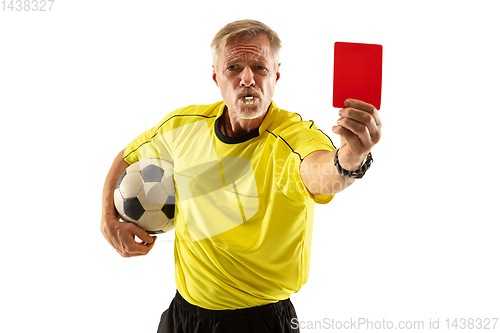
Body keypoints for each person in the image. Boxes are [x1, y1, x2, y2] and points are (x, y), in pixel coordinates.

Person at [101, 19, 382, 333]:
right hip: (183, 315)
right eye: (233, 67)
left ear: (276, 75)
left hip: (258, 322)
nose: (247, 78)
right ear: (216, 77)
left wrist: (351, 158)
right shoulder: (182, 126)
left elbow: (323, 173)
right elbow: (127, 157)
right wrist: (108, 219)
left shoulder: (293, 137)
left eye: (259, 68)